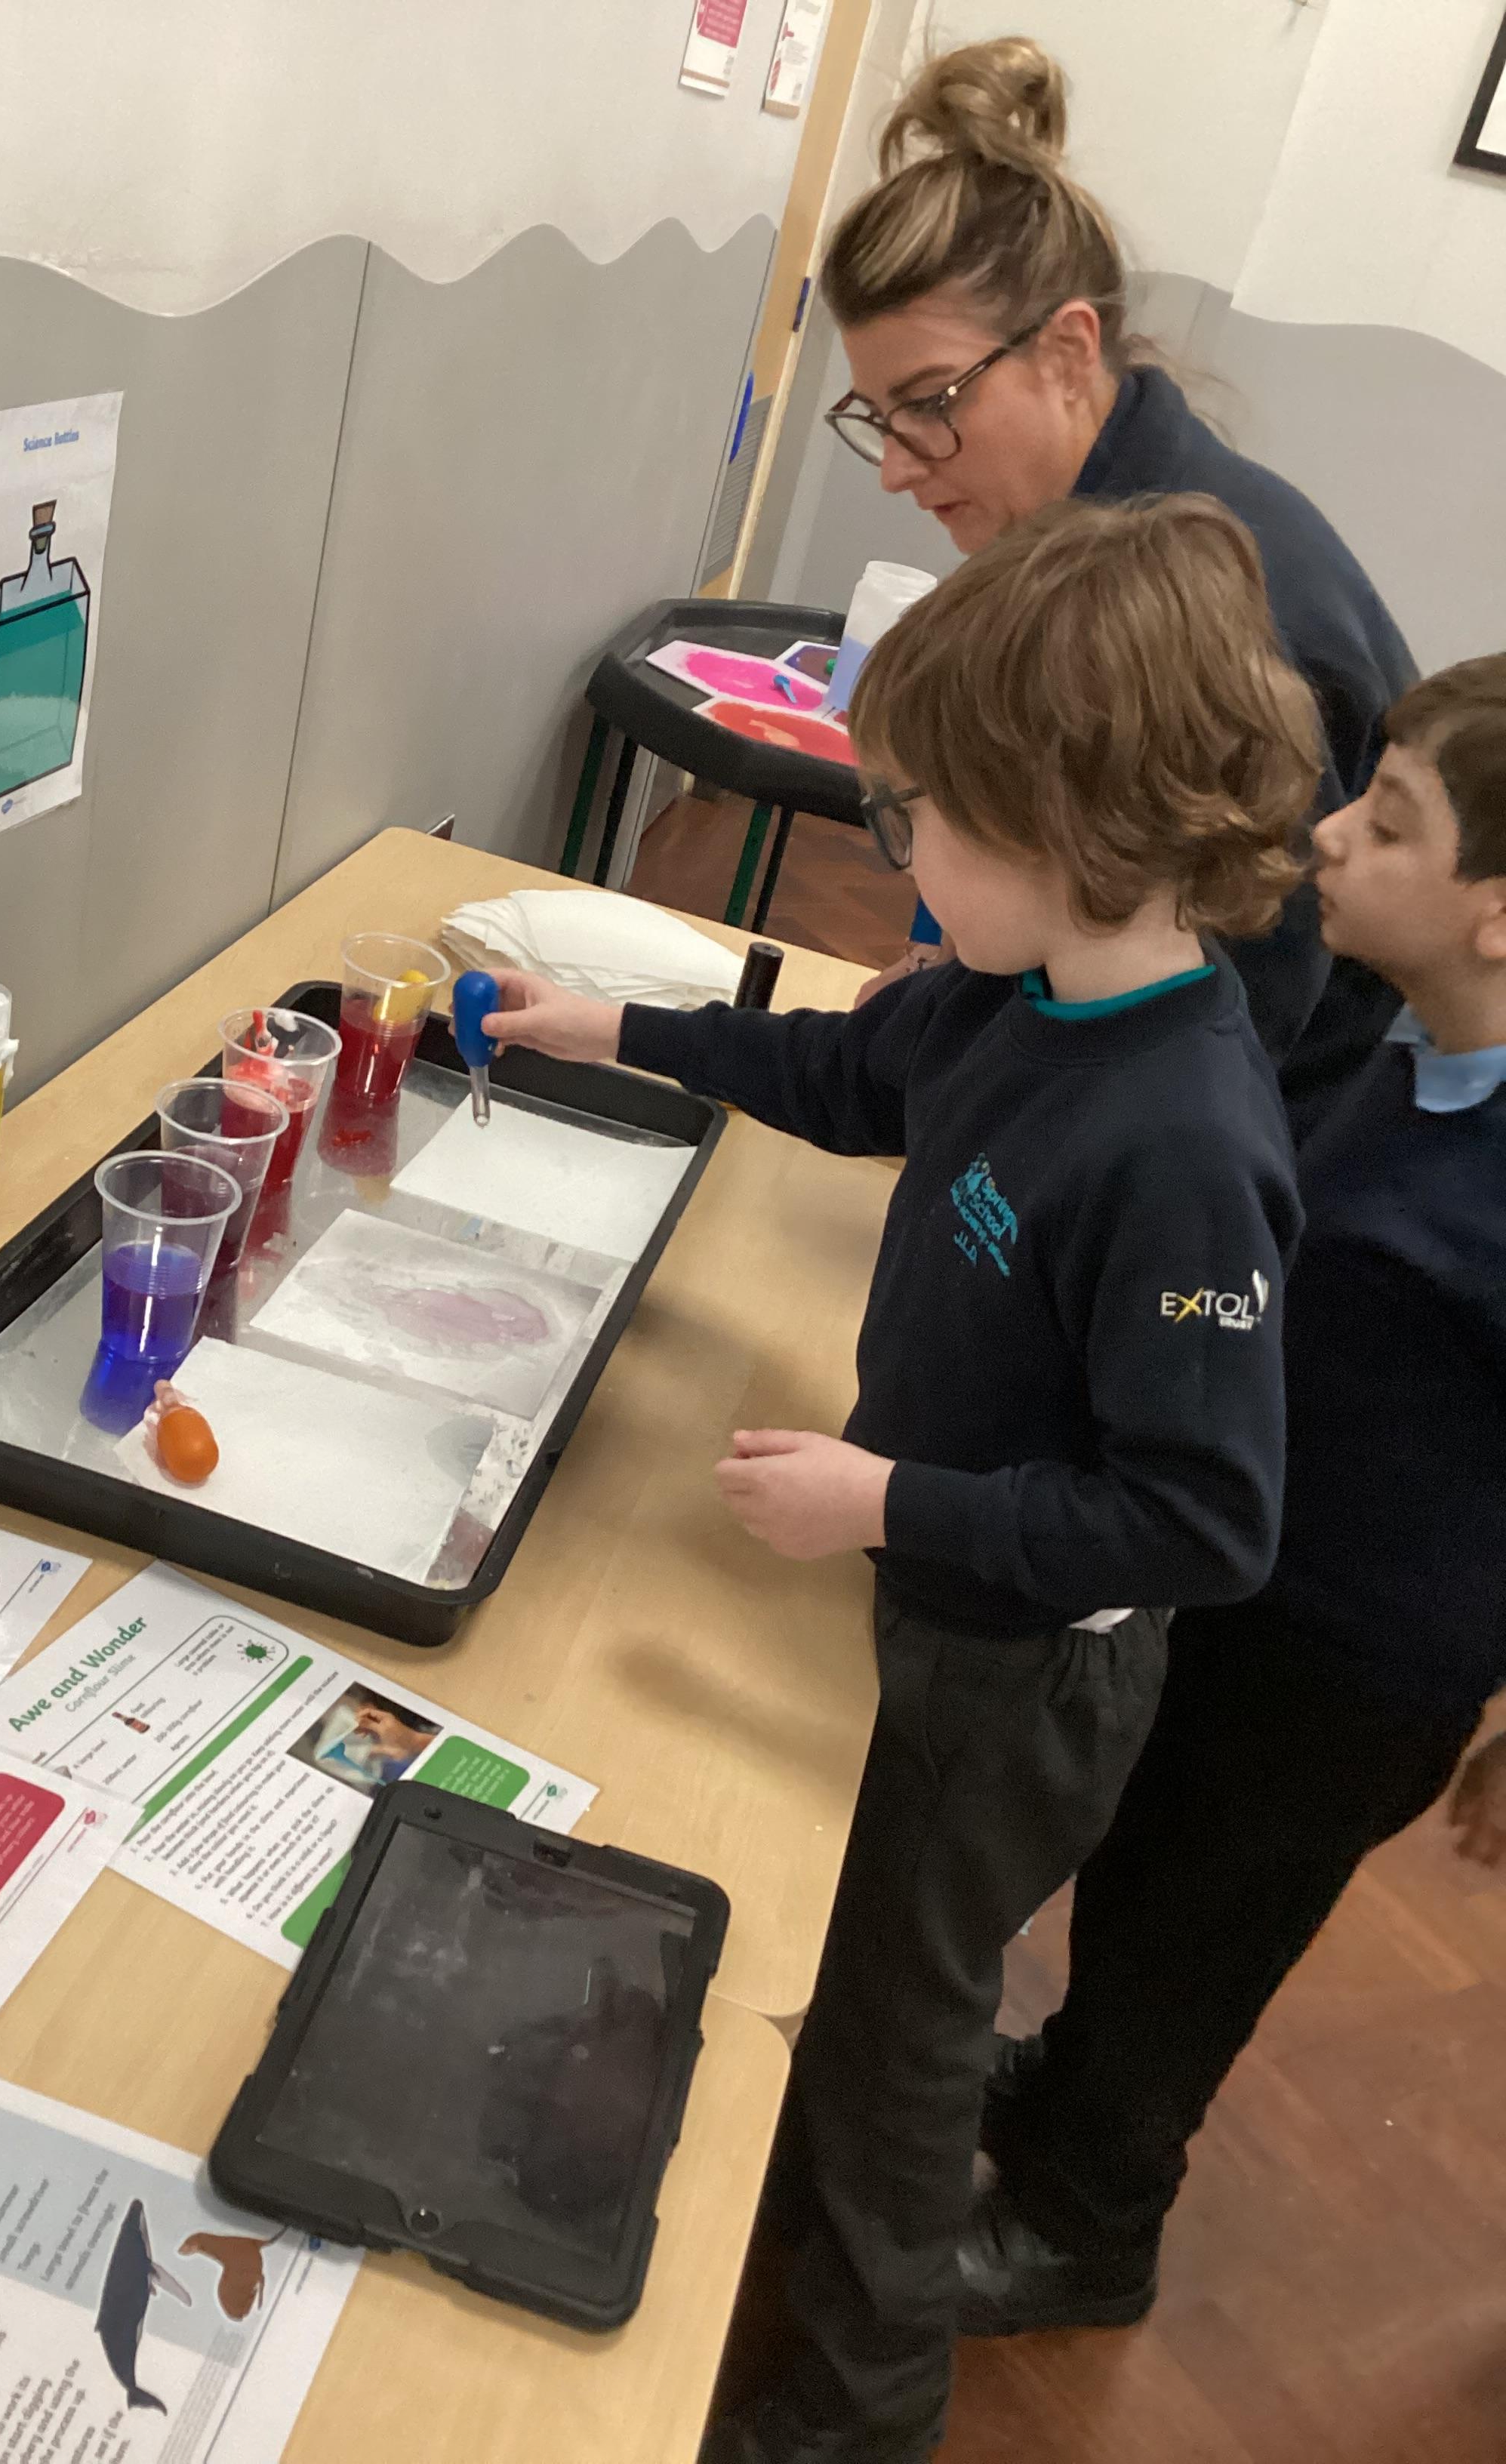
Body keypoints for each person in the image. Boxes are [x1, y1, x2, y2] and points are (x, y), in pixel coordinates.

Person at [483, 494, 1310, 2462]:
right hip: (937, 1590)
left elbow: (1205, 1521)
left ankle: (861, 2412)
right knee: (858, 1970)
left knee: (900, 2042)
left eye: (919, 817)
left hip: (1024, 1668)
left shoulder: (1187, 1143)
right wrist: (622, 1029)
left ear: (1069, 827)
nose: (896, 853)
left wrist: (885, 1504)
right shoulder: (1021, 992)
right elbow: (858, 1077)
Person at [956, 654, 1506, 2337]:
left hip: (1356, 1665)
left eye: (1390, 824)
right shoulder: (1411, 1046)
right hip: (1250, 1575)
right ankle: (1066, 2085)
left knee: (1200, 1931)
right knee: (1143, 1871)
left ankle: (1089, 2225)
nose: (1331, 836)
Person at [824, 36, 1414, 1131]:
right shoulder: (1079, 545)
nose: (897, 467)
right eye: (876, 415)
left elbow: (1223, 1043)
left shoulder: (1211, 610)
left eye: (932, 403)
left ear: (1067, 351)